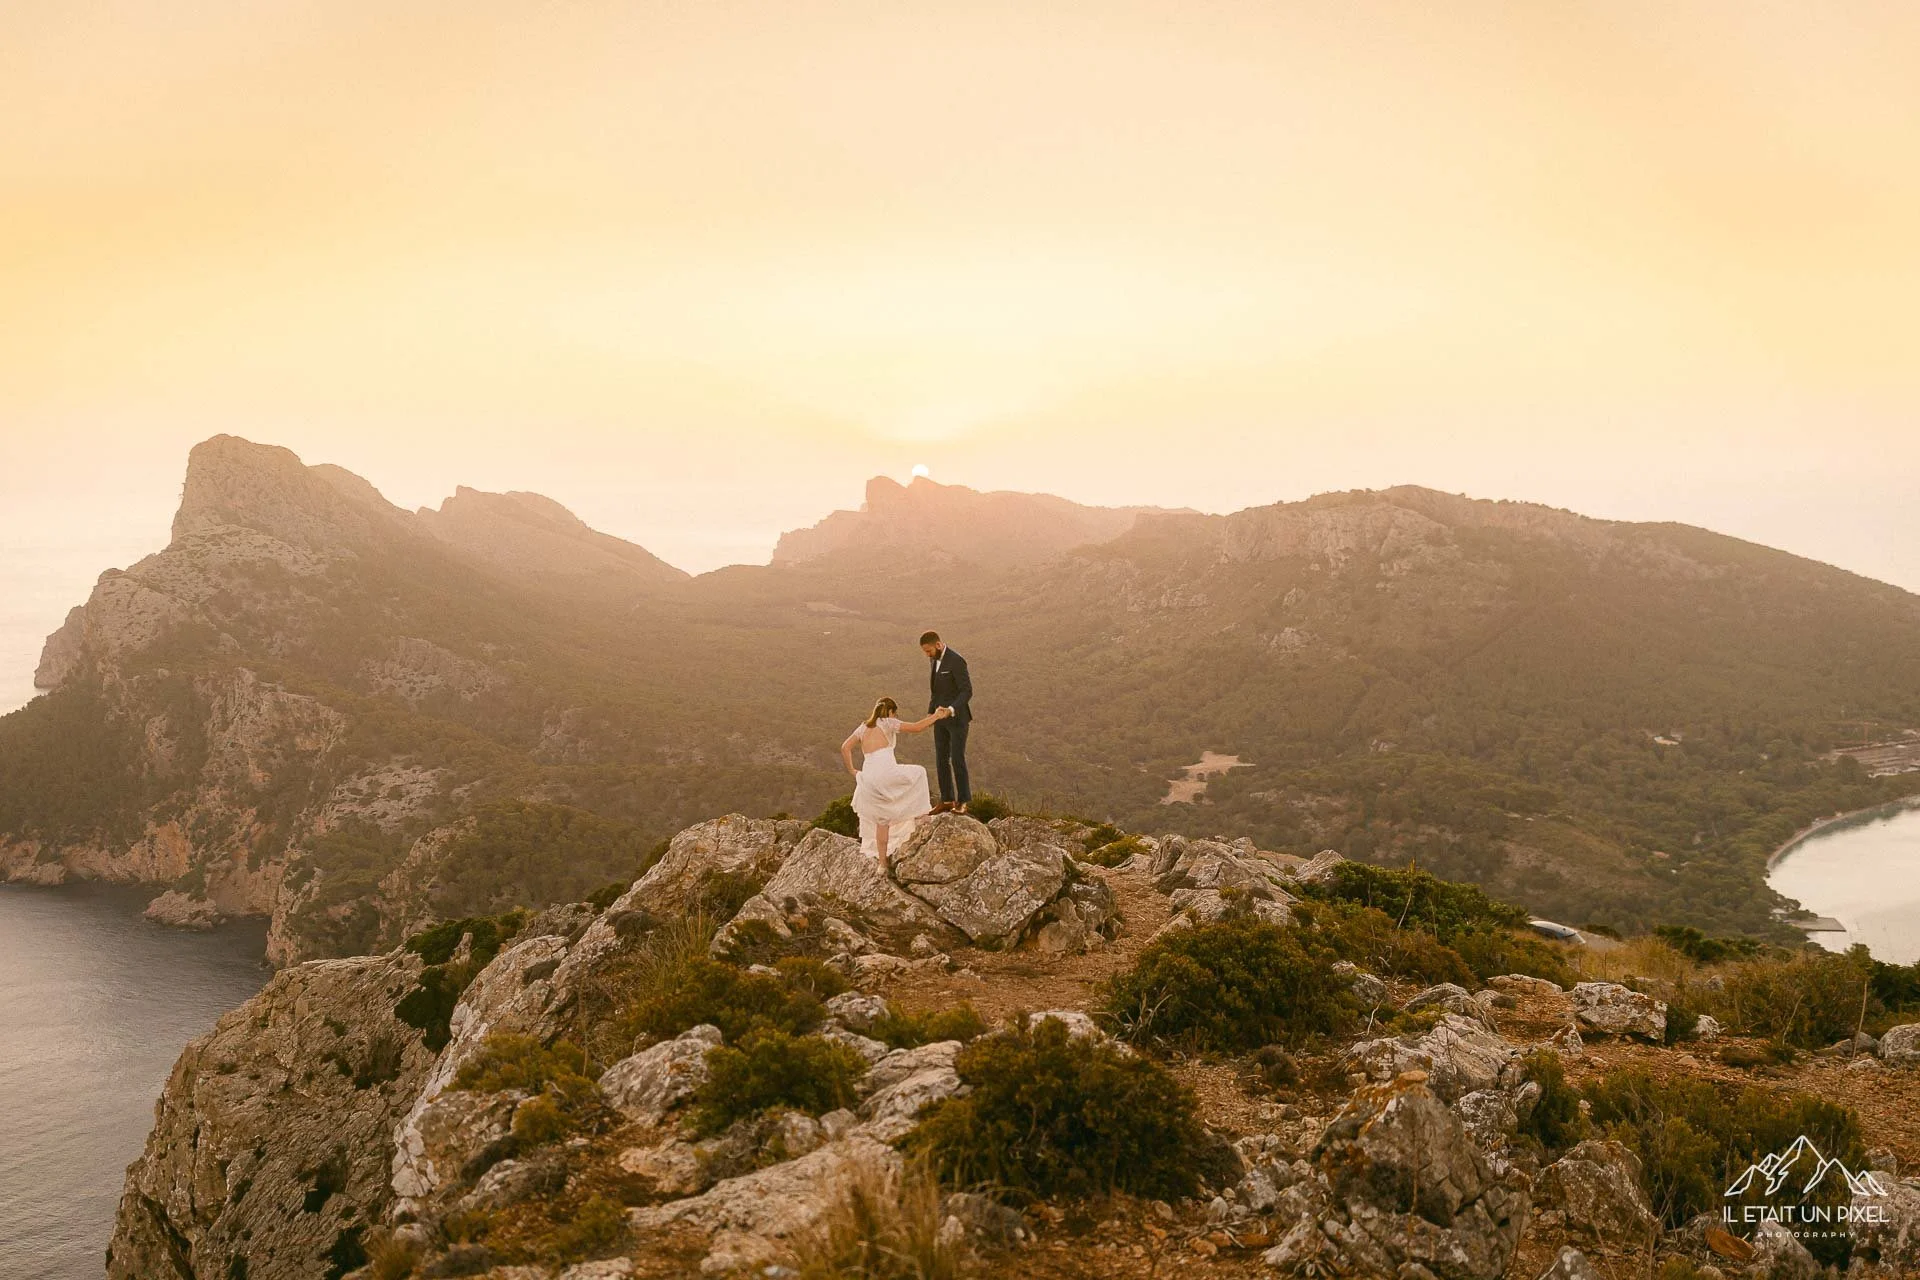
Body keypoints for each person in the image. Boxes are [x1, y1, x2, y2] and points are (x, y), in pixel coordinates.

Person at [840, 697, 951, 871]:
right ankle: (922, 815)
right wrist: (936, 716)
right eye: (895, 713)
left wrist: (852, 771)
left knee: (882, 821)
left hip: (868, 779)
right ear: (891, 712)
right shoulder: (888, 723)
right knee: (919, 772)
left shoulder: (863, 728)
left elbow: (845, 747)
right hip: (887, 773)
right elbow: (917, 727)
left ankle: (882, 864)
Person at [920, 630, 973, 814]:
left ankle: (963, 801)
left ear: (938, 644)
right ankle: (947, 799)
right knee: (941, 759)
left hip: (957, 719)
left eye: (928, 651)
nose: (927, 655)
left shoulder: (956, 661)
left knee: (957, 758)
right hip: (939, 718)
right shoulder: (934, 660)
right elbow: (936, 691)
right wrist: (931, 713)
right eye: (925, 652)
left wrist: (950, 709)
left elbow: (967, 691)